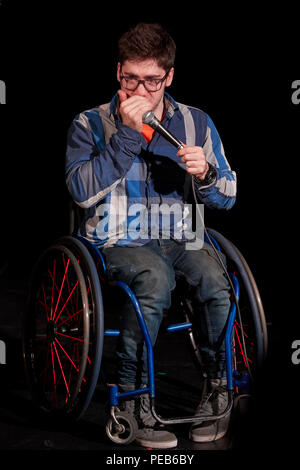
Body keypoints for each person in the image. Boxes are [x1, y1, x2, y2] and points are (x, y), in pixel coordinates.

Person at [65, 22, 237, 449]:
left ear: (170, 76)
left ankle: (220, 388)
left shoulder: (196, 122)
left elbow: (229, 195)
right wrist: (126, 135)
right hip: (117, 238)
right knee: (155, 278)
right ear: (118, 71)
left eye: (152, 81)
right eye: (130, 79)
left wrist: (209, 175)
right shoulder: (90, 122)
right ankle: (131, 400)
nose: (141, 89)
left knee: (218, 281)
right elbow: (81, 192)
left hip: (180, 235)